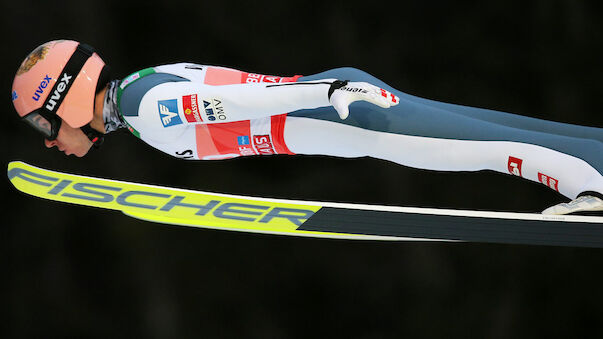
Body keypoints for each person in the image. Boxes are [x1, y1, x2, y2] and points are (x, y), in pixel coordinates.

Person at [11, 40, 603, 215]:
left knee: (487, 148)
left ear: (65, 99)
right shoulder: (139, 90)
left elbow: (232, 103)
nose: (48, 138)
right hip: (341, 105)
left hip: (346, 114)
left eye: (43, 120)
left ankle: (590, 188)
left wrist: (324, 94)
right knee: (493, 127)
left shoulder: (145, 109)